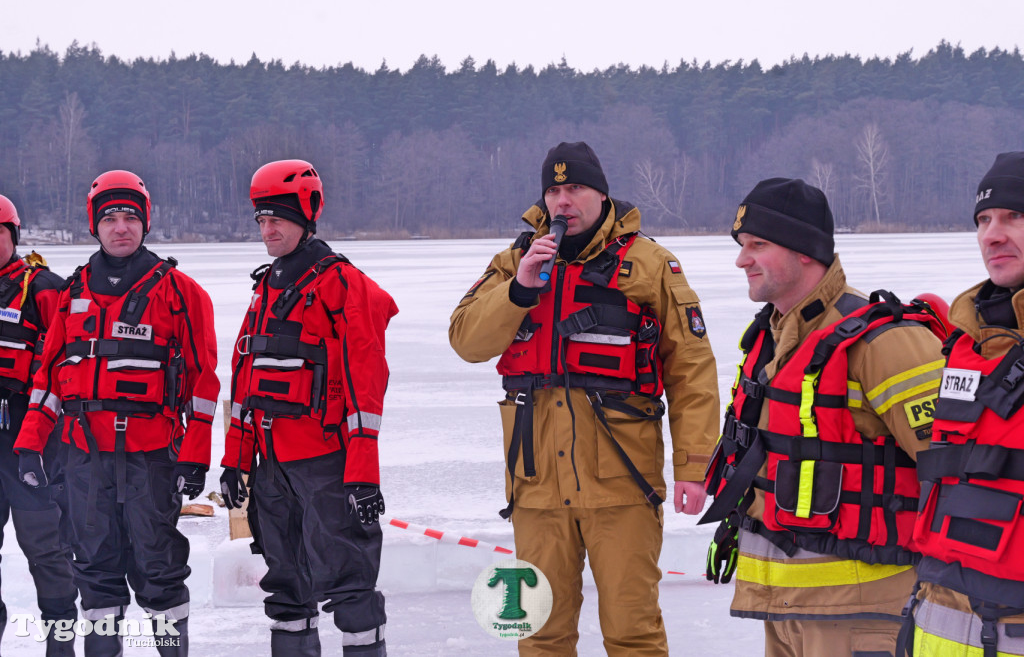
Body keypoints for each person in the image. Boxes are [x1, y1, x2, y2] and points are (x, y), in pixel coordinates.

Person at [449, 141, 720, 656]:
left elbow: (692, 369)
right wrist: (520, 290)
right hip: (535, 487)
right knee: (539, 633)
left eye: (575, 189)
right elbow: (466, 341)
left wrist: (693, 464)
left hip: (622, 484)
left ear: (601, 194)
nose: (562, 202)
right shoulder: (512, 263)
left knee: (633, 633)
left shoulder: (650, 264)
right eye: (553, 191)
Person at [700, 178, 946, 656]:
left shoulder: (885, 343)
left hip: (863, 616)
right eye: (741, 245)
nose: (741, 259)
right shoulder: (770, 342)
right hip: (785, 610)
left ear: (805, 250)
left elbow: (960, 470)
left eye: (758, 245)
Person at [14, 170, 219, 656]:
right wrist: (28, 445)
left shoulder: (181, 292)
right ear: (95, 225)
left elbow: (203, 383)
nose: (120, 226)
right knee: (96, 575)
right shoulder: (71, 292)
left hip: (152, 458)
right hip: (84, 458)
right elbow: (46, 382)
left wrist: (195, 456)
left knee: (161, 572)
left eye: (130, 216)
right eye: (110, 217)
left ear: (145, 224)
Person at [219, 159, 396, 657]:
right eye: (261, 220)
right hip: (271, 470)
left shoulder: (343, 286)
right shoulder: (266, 289)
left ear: (306, 218)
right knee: (286, 591)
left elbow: (367, 389)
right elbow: (247, 384)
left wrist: (363, 474)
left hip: (327, 466)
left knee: (351, 587)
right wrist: (235, 461)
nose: (268, 229)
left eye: (278, 218)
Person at [904, 152, 1024, 655]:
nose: (992, 234)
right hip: (938, 614)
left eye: (1014, 215)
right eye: (983, 219)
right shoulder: (963, 345)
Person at [0, 194, 77, 656]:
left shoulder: (45, 288)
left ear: (13, 236)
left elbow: (68, 368)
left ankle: (61, 639)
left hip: (32, 444)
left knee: (47, 548)